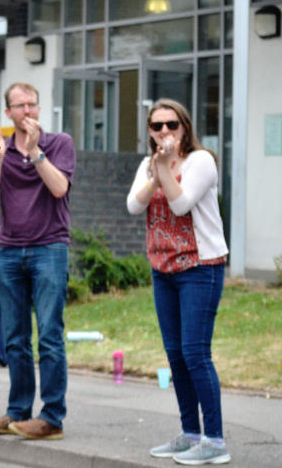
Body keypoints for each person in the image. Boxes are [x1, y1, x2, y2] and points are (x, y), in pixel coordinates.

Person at [127, 99, 231, 465]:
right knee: (175, 355)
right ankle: (190, 434)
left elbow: (181, 204)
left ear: (184, 126)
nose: (165, 132)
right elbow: (133, 205)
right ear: (150, 131)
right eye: (157, 126)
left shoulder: (202, 161)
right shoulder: (148, 163)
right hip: (163, 270)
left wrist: (164, 169)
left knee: (195, 353)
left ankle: (215, 440)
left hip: (200, 268)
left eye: (172, 124)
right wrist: (156, 169)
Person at [0, 82, 76, 440]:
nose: (28, 112)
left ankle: (52, 417)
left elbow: (59, 188)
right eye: (19, 106)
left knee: (49, 335)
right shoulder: (4, 148)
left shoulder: (58, 144)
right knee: (15, 338)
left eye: (32, 105)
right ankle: (18, 412)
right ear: (8, 113)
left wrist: (35, 152)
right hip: (9, 249)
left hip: (49, 249)